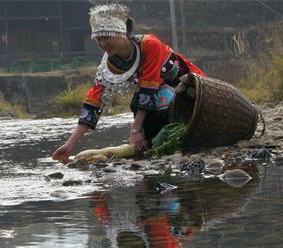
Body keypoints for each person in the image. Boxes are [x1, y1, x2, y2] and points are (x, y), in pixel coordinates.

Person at [52, 4, 206, 163]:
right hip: (156, 97)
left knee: (159, 97)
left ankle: (157, 140)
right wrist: (69, 145)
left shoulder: (150, 44)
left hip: (191, 91)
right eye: (99, 39)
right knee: (140, 102)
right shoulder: (111, 63)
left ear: (122, 33)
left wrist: (135, 129)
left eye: (106, 37)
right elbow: (94, 101)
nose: (102, 43)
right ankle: (150, 143)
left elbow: (149, 88)